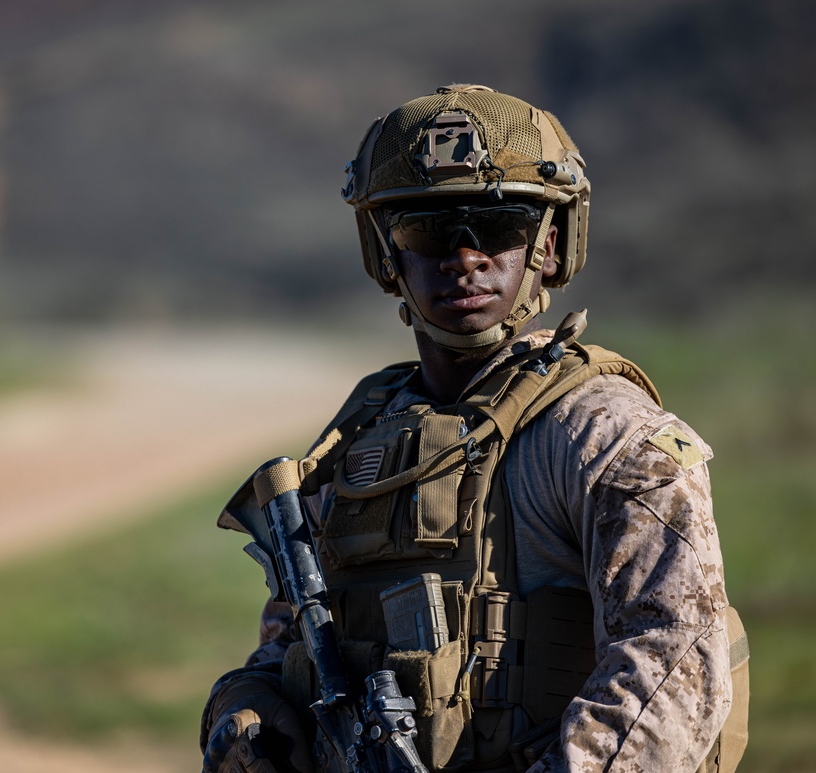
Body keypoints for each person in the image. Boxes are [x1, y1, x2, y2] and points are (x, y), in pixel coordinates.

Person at [200, 84, 748, 773]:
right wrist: (248, 703)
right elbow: (294, 643)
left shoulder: (605, 436)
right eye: (429, 232)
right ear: (387, 256)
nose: (464, 257)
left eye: (497, 230)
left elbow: (673, 664)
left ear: (548, 246)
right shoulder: (355, 444)